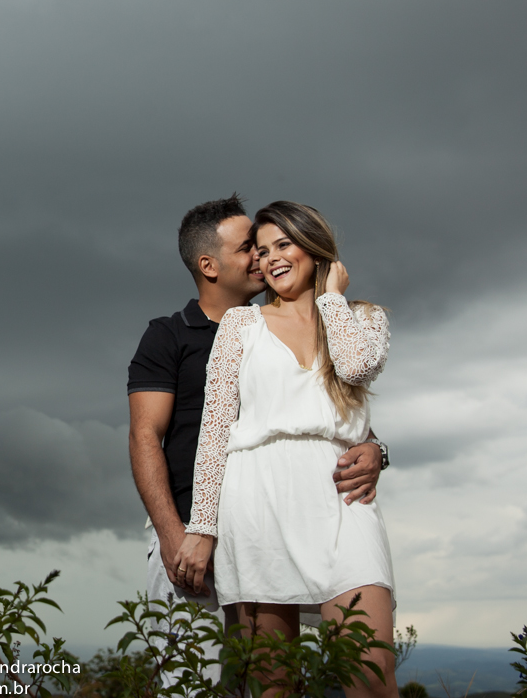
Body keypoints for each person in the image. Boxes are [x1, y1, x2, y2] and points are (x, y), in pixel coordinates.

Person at [128, 196, 387, 682]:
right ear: (209, 265)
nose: (261, 258)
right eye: (252, 248)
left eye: (270, 246)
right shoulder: (180, 334)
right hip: (202, 526)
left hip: (313, 508)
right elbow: (156, 434)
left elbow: (330, 403)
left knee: (343, 671)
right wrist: (182, 532)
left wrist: (376, 448)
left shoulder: (325, 321)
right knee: (212, 683)